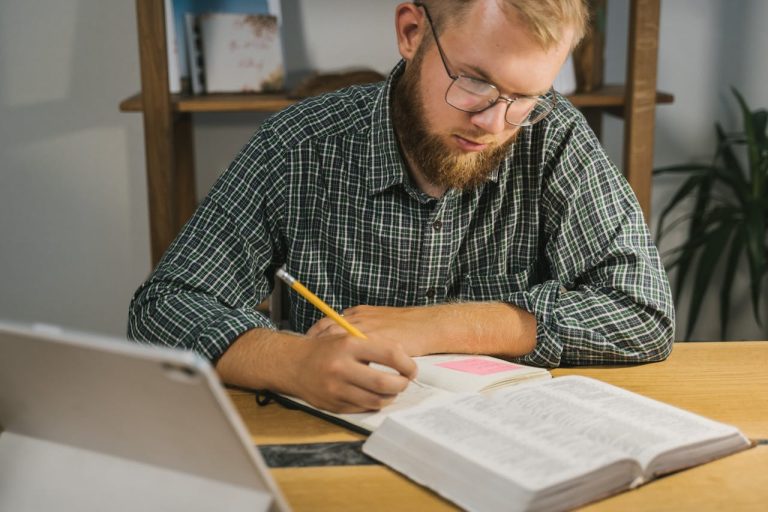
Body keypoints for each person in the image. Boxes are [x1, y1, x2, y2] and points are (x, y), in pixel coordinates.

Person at [128, 0, 675, 413]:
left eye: (526, 97)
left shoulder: (553, 136)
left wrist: (442, 326)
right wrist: (293, 362)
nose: (493, 122)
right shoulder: (298, 146)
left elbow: (643, 313)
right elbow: (163, 310)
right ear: (411, 32)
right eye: (474, 81)